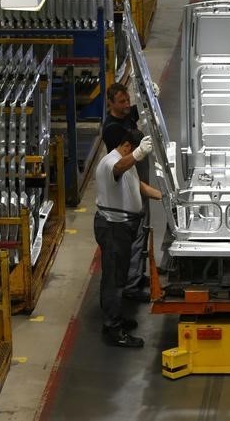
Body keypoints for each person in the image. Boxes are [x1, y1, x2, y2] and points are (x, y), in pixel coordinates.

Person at [93, 125, 162, 348]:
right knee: (114, 280)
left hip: (121, 228)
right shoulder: (110, 162)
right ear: (127, 146)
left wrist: (161, 195)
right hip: (113, 229)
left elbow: (136, 183)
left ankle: (113, 318)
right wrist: (139, 153)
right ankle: (113, 330)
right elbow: (121, 167)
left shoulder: (124, 162)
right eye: (134, 152)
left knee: (117, 276)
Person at [102, 83, 150, 302]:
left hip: (137, 180)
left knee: (142, 230)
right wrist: (139, 151)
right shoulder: (112, 129)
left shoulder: (126, 114)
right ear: (110, 103)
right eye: (121, 102)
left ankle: (137, 276)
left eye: (127, 100)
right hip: (126, 188)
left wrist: (149, 97)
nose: (126, 105)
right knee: (135, 234)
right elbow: (122, 162)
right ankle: (131, 285)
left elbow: (136, 112)